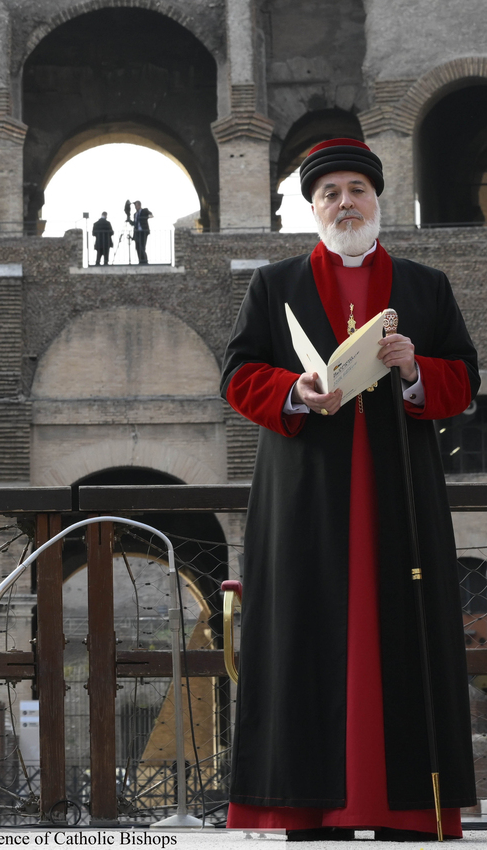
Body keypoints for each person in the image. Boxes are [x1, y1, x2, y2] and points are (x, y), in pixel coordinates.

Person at [222, 138, 477, 840]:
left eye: (355, 191)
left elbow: (461, 378)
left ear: (376, 200)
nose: (344, 204)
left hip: (400, 494)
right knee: (309, 637)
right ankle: (309, 806)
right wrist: (294, 389)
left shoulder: (424, 286)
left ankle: (401, 812)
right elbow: (237, 375)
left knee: (404, 636)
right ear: (311, 208)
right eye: (329, 193)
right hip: (306, 499)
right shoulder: (273, 285)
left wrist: (413, 369)